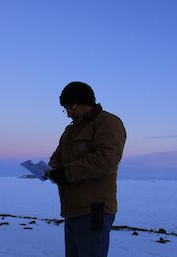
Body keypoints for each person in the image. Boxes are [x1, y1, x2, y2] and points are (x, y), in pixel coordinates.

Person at [46, 81, 126, 257]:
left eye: (70, 107)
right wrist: (51, 170)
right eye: (65, 108)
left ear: (85, 103)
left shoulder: (108, 123)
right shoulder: (70, 130)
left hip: (93, 211)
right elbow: (56, 157)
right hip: (71, 211)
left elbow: (106, 160)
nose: (67, 113)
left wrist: (66, 173)